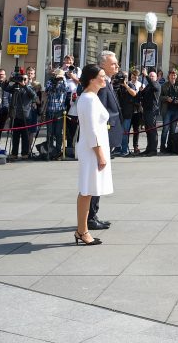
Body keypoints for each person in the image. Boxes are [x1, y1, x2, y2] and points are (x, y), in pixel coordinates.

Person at [74, 64, 113, 246]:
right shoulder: (88, 99)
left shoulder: (91, 97)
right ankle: (82, 231)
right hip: (91, 150)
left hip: (93, 148)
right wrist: (100, 155)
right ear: (92, 79)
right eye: (102, 76)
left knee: (88, 190)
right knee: (86, 190)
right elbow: (90, 129)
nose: (104, 78)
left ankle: (82, 230)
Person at [160, 69, 178, 153]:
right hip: (167, 110)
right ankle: (162, 147)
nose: (173, 76)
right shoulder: (164, 85)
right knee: (165, 129)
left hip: (176, 110)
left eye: (174, 75)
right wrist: (167, 98)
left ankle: (170, 146)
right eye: (171, 75)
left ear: (176, 76)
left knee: (173, 130)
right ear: (169, 76)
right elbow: (160, 97)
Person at [139, 70, 161, 156]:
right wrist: (141, 91)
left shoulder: (156, 84)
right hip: (146, 110)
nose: (151, 77)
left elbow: (154, 87)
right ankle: (148, 148)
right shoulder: (148, 86)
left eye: (153, 76)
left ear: (156, 78)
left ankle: (153, 150)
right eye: (150, 76)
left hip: (152, 110)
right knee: (148, 130)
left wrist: (147, 75)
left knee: (152, 130)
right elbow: (143, 95)